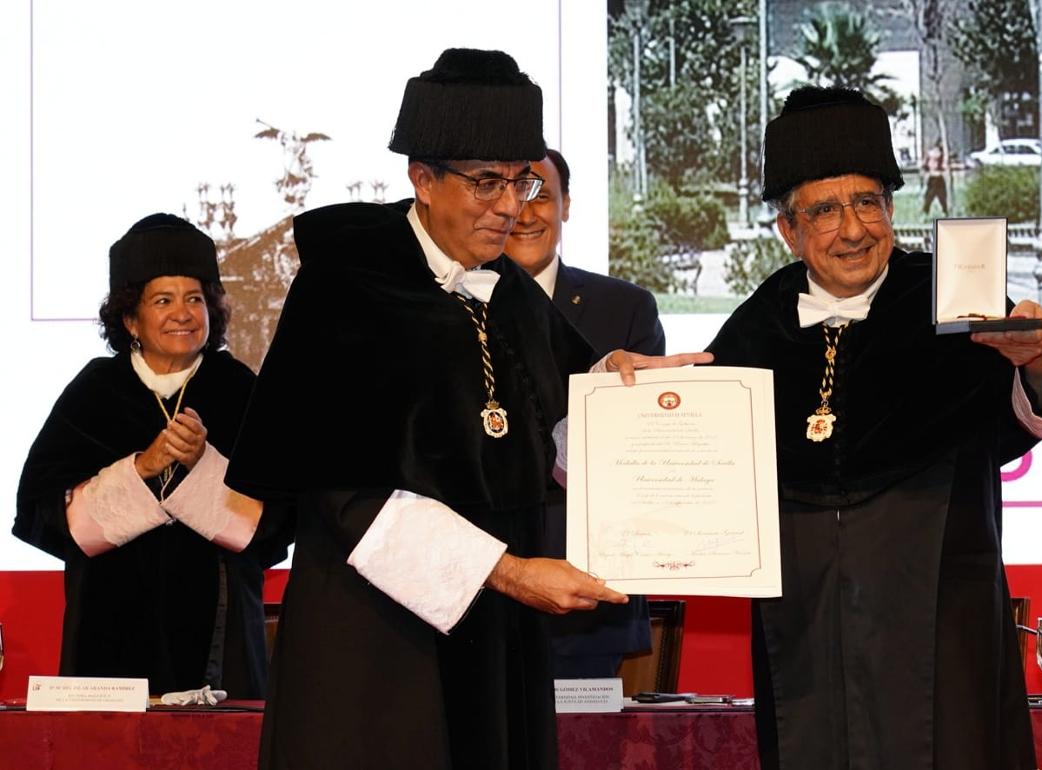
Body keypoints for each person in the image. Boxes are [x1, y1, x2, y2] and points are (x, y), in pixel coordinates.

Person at [224, 49, 707, 770]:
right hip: (377, 643)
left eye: (523, 180)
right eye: (486, 182)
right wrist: (509, 572)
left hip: (495, 633)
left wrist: (617, 387)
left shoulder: (509, 291)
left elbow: (546, 428)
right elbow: (344, 495)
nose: (510, 206)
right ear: (422, 179)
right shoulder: (346, 285)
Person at [705, 87, 1042, 770]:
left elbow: (1036, 406)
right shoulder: (757, 325)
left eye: (868, 203)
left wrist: (1041, 355)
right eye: (824, 210)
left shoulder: (948, 298)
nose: (852, 230)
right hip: (806, 630)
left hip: (941, 624)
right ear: (788, 231)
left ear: (891, 209)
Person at [14, 213, 291, 698]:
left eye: (194, 299)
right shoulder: (95, 391)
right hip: (109, 624)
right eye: (163, 300)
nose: (182, 314)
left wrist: (203, 468)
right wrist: (142, 468)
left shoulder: (240, 389)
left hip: (219, 627)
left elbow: (279, 519)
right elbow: (41, 511)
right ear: (129, 319)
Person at [505, 148, 662, 679]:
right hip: (476, 587)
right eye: (511, 193)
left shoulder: (626, 307)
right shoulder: (451, 304)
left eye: (541, 195)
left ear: (567, 204)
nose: (525, 213)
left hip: (588, 586)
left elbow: (642, 453)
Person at [922, 140, 949, 216]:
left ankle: (944, 211)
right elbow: (943, 166)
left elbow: (925, 166)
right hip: (934, 178)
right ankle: (926, 212)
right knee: (931, 196)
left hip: (937, 177)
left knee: (940, 196)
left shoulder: (932, 153)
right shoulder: (937, 154)